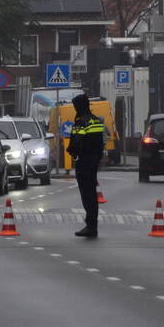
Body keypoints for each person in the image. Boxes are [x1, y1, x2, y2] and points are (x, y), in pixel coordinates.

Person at [67, 94, 105, 238]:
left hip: (83, 162)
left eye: (75, 106)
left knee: (87, 195)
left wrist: (72, 152)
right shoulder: (96, 120)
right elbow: (100, 142)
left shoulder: (81, 122)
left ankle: (90, 226)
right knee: (92, 194)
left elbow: (76, 143)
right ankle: (93, 225)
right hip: (94, 162)